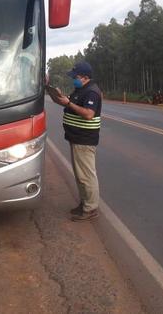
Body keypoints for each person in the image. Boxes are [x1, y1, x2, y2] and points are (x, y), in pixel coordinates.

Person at [48, 61, 102, 221]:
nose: (74, 80)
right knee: (80, 175)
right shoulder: (81, 89)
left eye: (76, 77)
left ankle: (91, 208)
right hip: (76, 137)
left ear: (85, 77)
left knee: (86, 175)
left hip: (84, 139)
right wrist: (56, 95)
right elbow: (67, 105)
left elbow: (88, 114)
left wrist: (69, 103)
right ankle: (85, 203)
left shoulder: (91, 92)